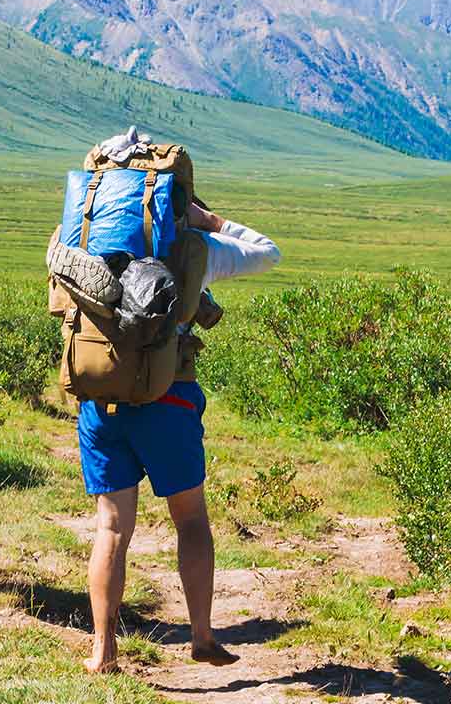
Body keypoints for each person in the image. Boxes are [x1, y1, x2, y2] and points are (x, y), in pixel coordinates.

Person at [80, 198, 281, 674]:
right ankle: (203, 636)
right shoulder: (197, 247)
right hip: (169, 398)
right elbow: (269, 251)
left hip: (103, 397)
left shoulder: (89, 235)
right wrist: (210, 220)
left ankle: (102, 651)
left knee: (110, 528)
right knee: (190, 520)